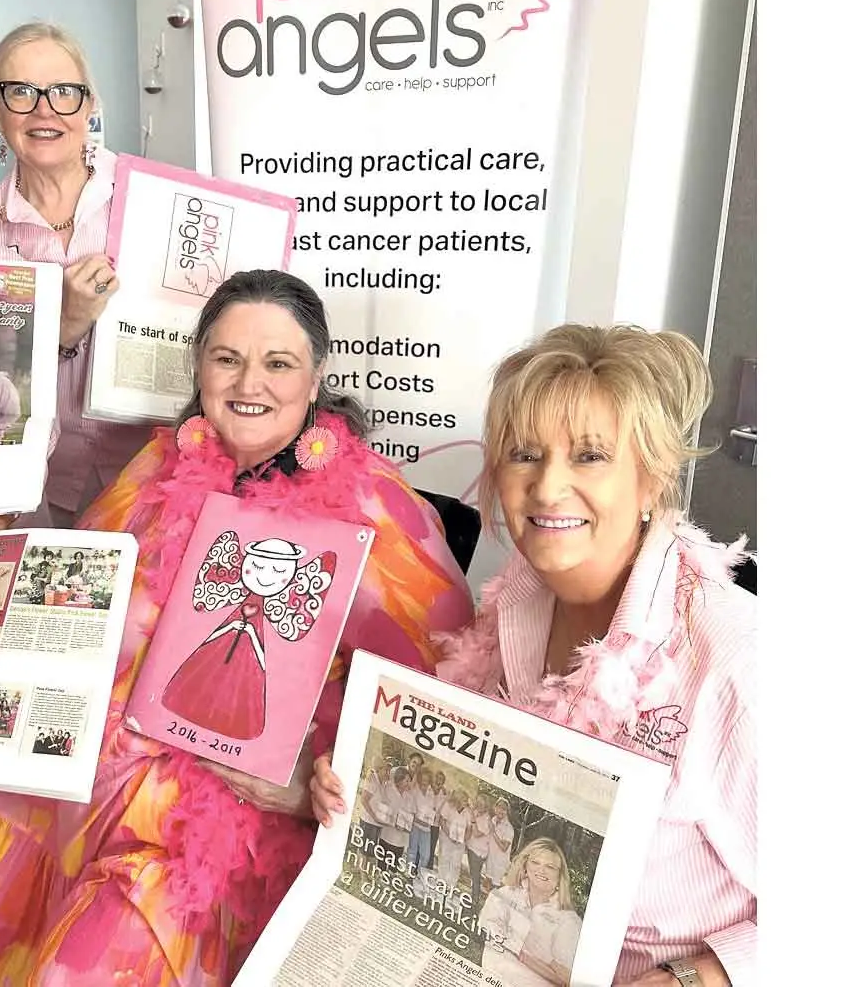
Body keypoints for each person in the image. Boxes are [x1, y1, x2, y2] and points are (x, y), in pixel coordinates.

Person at [0, 270, 475, 985]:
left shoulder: (375, 508)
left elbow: (444, 693)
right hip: (95, 760)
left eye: (278, 362)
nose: (251, 381)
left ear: (314, 379)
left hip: (238, 809)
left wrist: (307, 780)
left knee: (96, 958)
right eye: (226, 357)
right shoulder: (160, 463)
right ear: (200, 367)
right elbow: (78, 593)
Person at [312, 323, 757, 986]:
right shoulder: (507, 607)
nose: (547, 487)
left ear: (649, 479)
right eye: (524, 454)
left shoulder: (732, 657)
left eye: (588, 456)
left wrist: (698, 977)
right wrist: (357, 784)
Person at [0, 21, 155, 527]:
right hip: (34, 488)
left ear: (89, 105)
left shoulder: (156, 201)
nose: (45, 109)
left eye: (64, 91)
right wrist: (60, 325)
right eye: (21, 92)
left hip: (155, 480)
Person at [477, 838, 584, 987]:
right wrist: (531, 955)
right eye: (535, 862)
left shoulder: (568, 921)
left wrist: (525, 953)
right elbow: (486, 931)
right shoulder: (504, 894)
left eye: (550, 867)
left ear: (560, 876)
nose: (541, 870)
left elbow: (567, 980)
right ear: (525, 866)